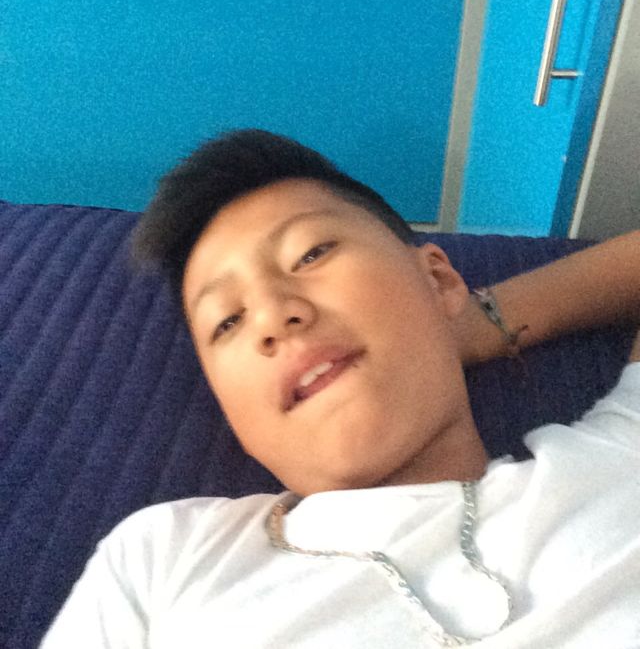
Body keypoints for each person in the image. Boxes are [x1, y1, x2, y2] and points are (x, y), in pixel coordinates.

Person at [41, 129, 640, 647]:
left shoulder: (615, 462)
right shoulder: (165, 559)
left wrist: (474, 324)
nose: (272, 315)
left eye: (312, 253)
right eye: (227, 321)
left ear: (437, 277)